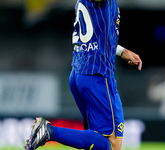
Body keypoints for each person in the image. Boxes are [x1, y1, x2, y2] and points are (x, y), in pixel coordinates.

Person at [24, 0, 142, 150]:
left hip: (82, 72)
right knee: (111, 144)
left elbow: (98, 36)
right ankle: (48, 132)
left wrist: (122, 51)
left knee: (96, 141)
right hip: (97, 74)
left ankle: (49, 132)